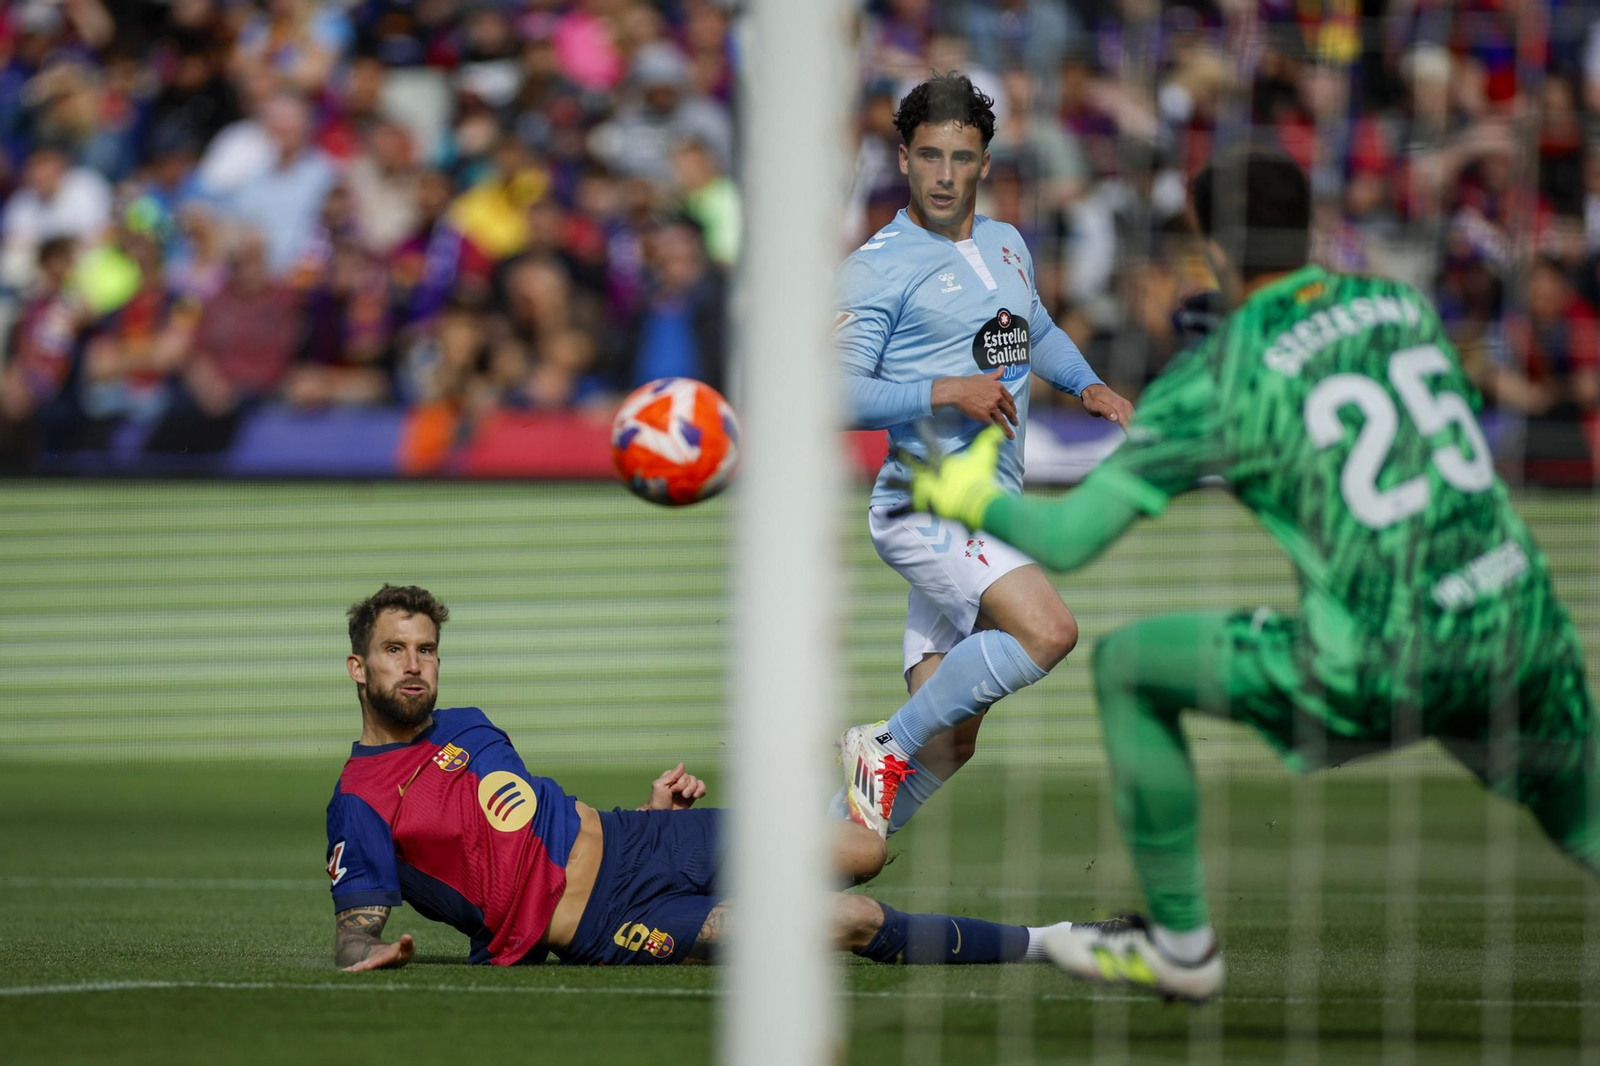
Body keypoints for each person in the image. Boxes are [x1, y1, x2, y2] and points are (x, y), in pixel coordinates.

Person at [905, 152, 1598, 1002]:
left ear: (1215, 248)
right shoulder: (1400, 306)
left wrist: (964, 497)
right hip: (1519, 614)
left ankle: (1183, 947)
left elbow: (1071, 536)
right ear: (1308, 225)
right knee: (1583, 819)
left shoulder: (1220, 375)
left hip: (1385, 650)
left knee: (1129, 667)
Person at [327, 584, 1124, 971]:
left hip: (646, 834)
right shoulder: (359, 800)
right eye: (396, 651)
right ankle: (1055, 946)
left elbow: (529, 832)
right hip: (613, 924)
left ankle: (880, 750)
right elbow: (353, 927)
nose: (416, 665)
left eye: (426, 649)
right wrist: (368, 953)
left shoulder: (470, 723)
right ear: (361, 668)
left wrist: (649, 808)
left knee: (860, 849)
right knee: (848, 917)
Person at [832, 72, 1131, 839]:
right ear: (902, 158)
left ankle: (820, 856)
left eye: (960, 158)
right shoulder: (877, 265)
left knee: (954, 739)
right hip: (925, 501)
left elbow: (1033, 330)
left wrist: (1090, 385)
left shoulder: (1006, 242)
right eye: (928, 156)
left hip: (986, 502)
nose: (943, 174)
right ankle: (882, 744)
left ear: (985, 163)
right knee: (1049, 632)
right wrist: (943, 391)